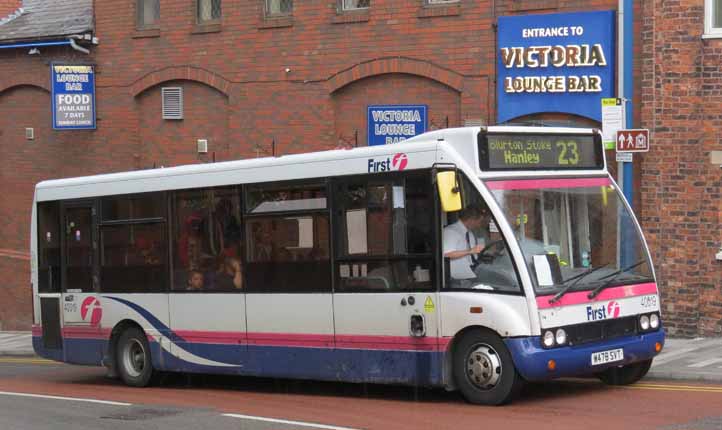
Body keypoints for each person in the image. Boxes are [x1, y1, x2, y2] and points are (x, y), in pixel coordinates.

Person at [443, 205, 491, 281]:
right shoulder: (450, 231)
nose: (479, 225)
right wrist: (470, 251)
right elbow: (446, 254)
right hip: (456, 278)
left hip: (470, 273)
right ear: (471, 219)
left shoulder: (469, 233)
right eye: (479, 222)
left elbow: (472, 256)